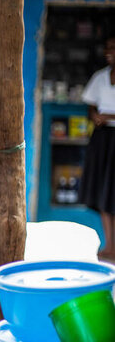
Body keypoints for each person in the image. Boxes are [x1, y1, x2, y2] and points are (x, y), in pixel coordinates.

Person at [79, 35, 115, 262]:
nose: (108, 51)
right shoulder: (100, 78)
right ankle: (110, 245)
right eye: (107, 47)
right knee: (104, 190)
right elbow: (90, 104)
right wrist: (95, 116)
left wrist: (108, 116)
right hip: (103, 139)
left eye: (113, 47)